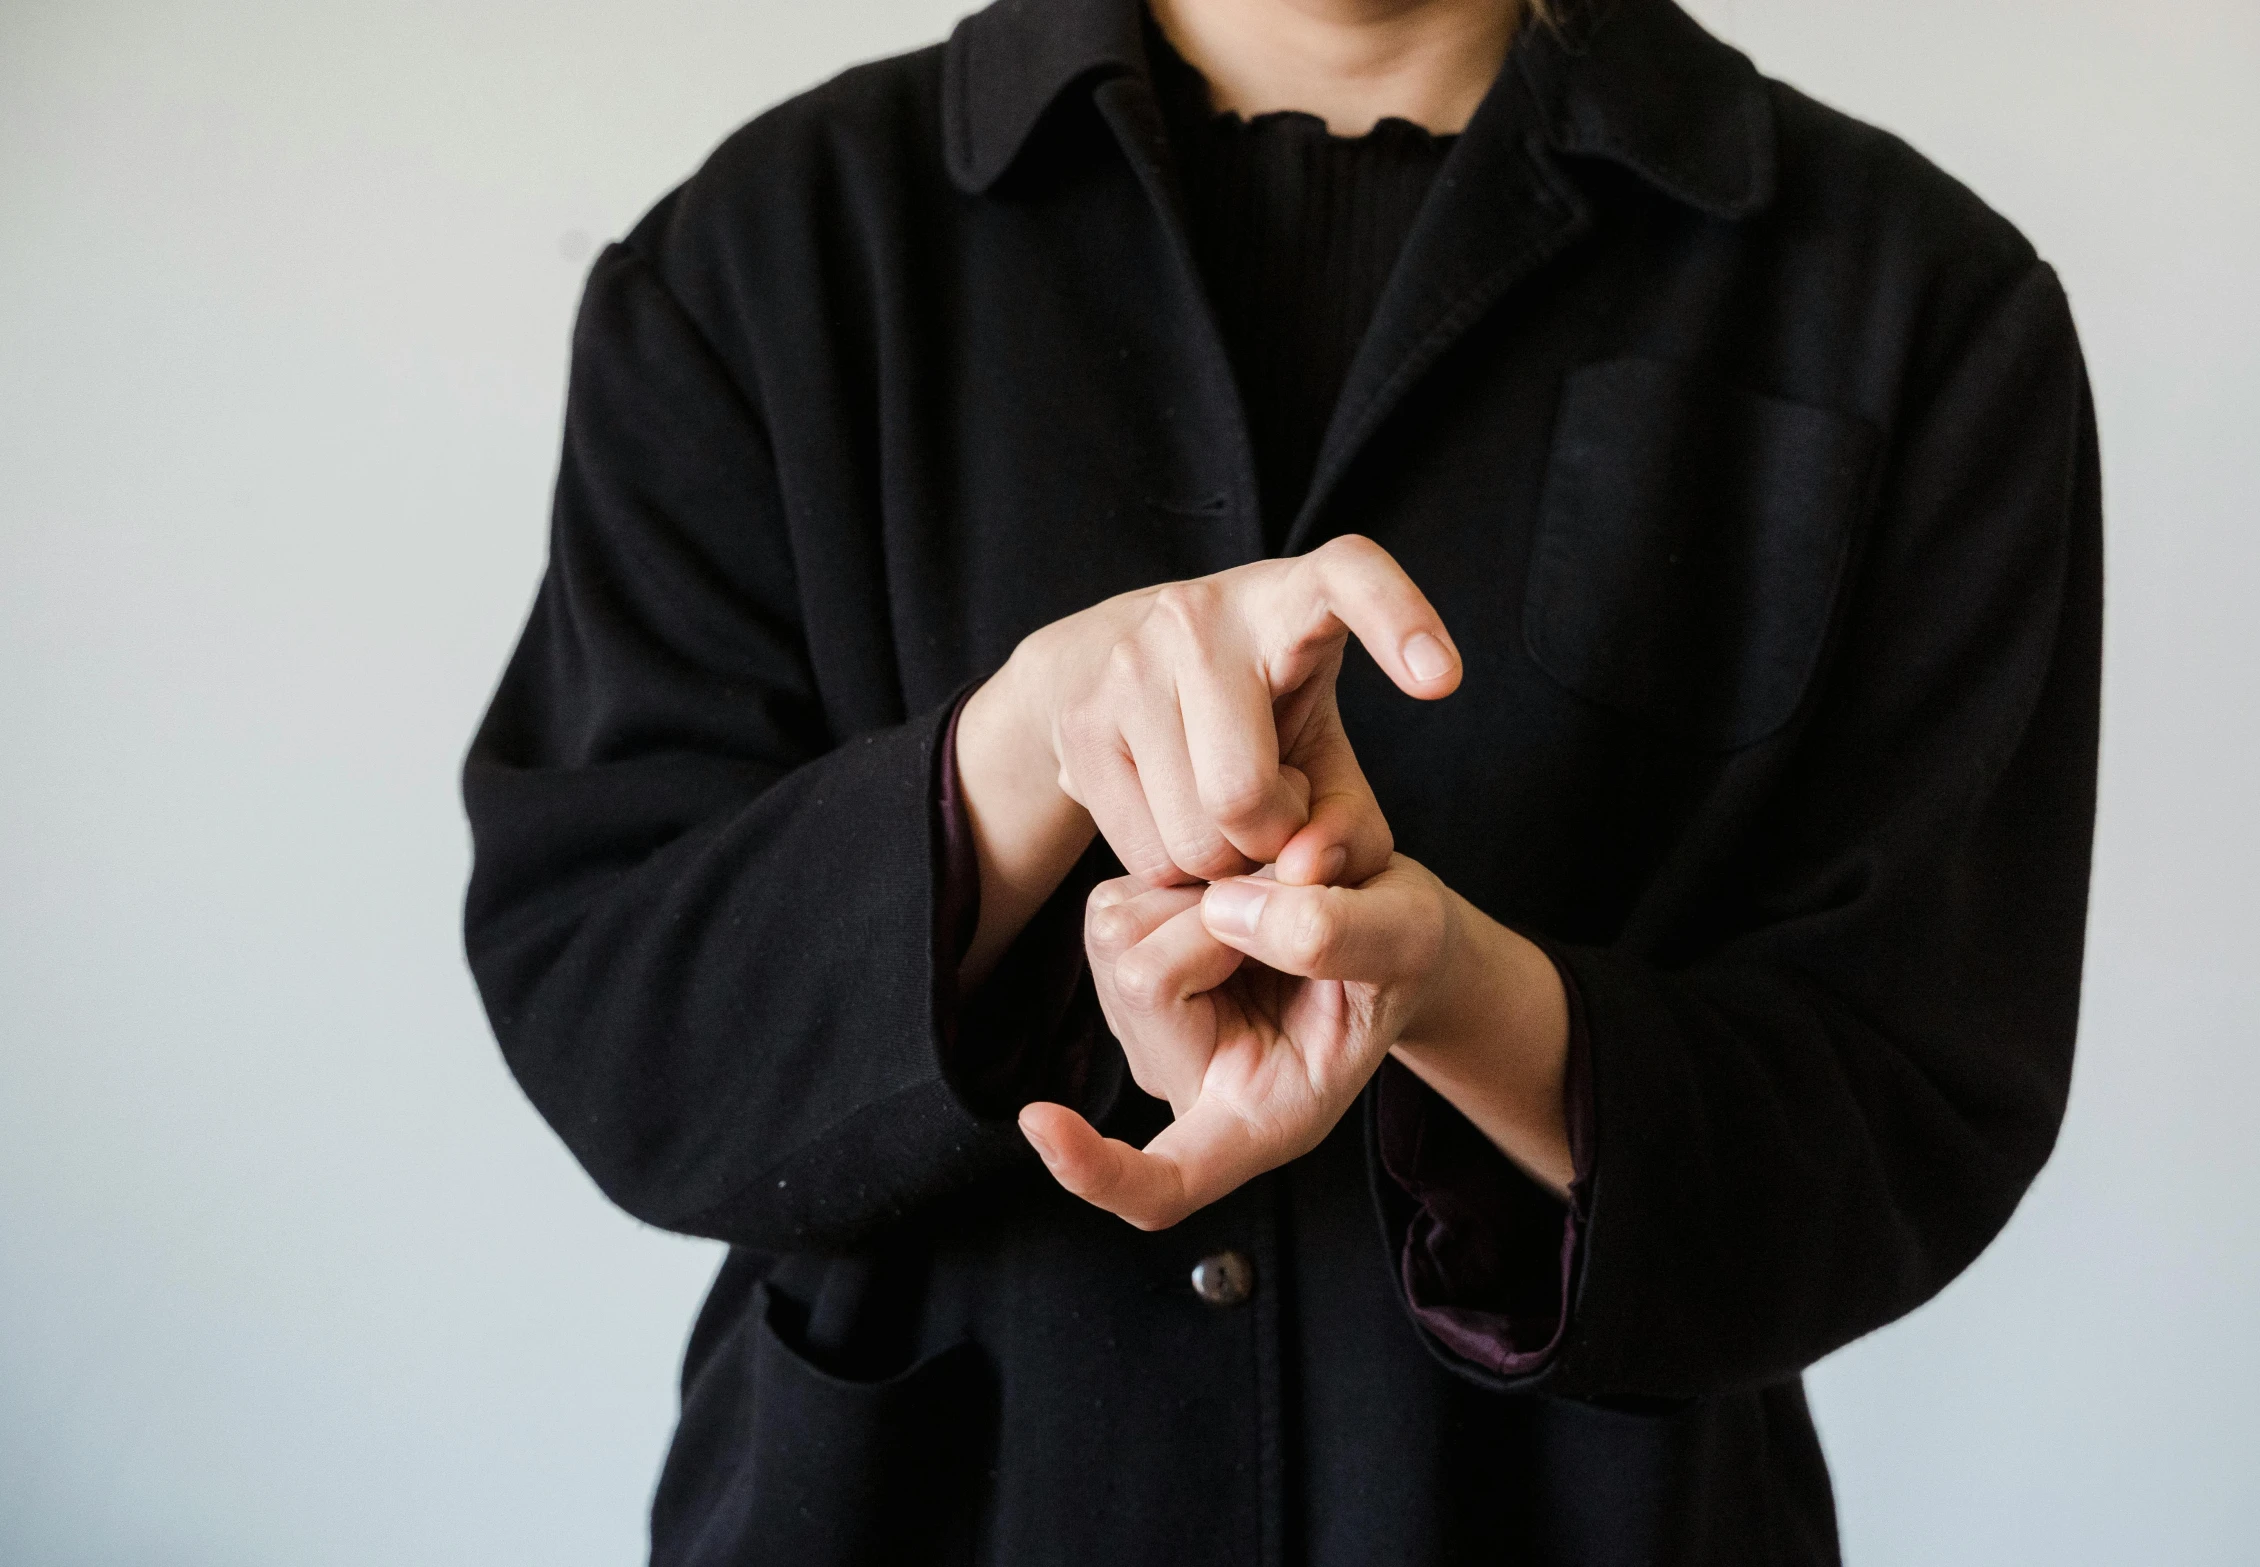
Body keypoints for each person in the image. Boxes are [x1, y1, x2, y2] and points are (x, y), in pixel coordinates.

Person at [462, 0, 2101, 1559]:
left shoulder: (1918, 303)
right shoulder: (763, 255)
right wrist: (1016, 758)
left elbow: (1920, 1094)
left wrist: (1457, 991)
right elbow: (618, 1010)